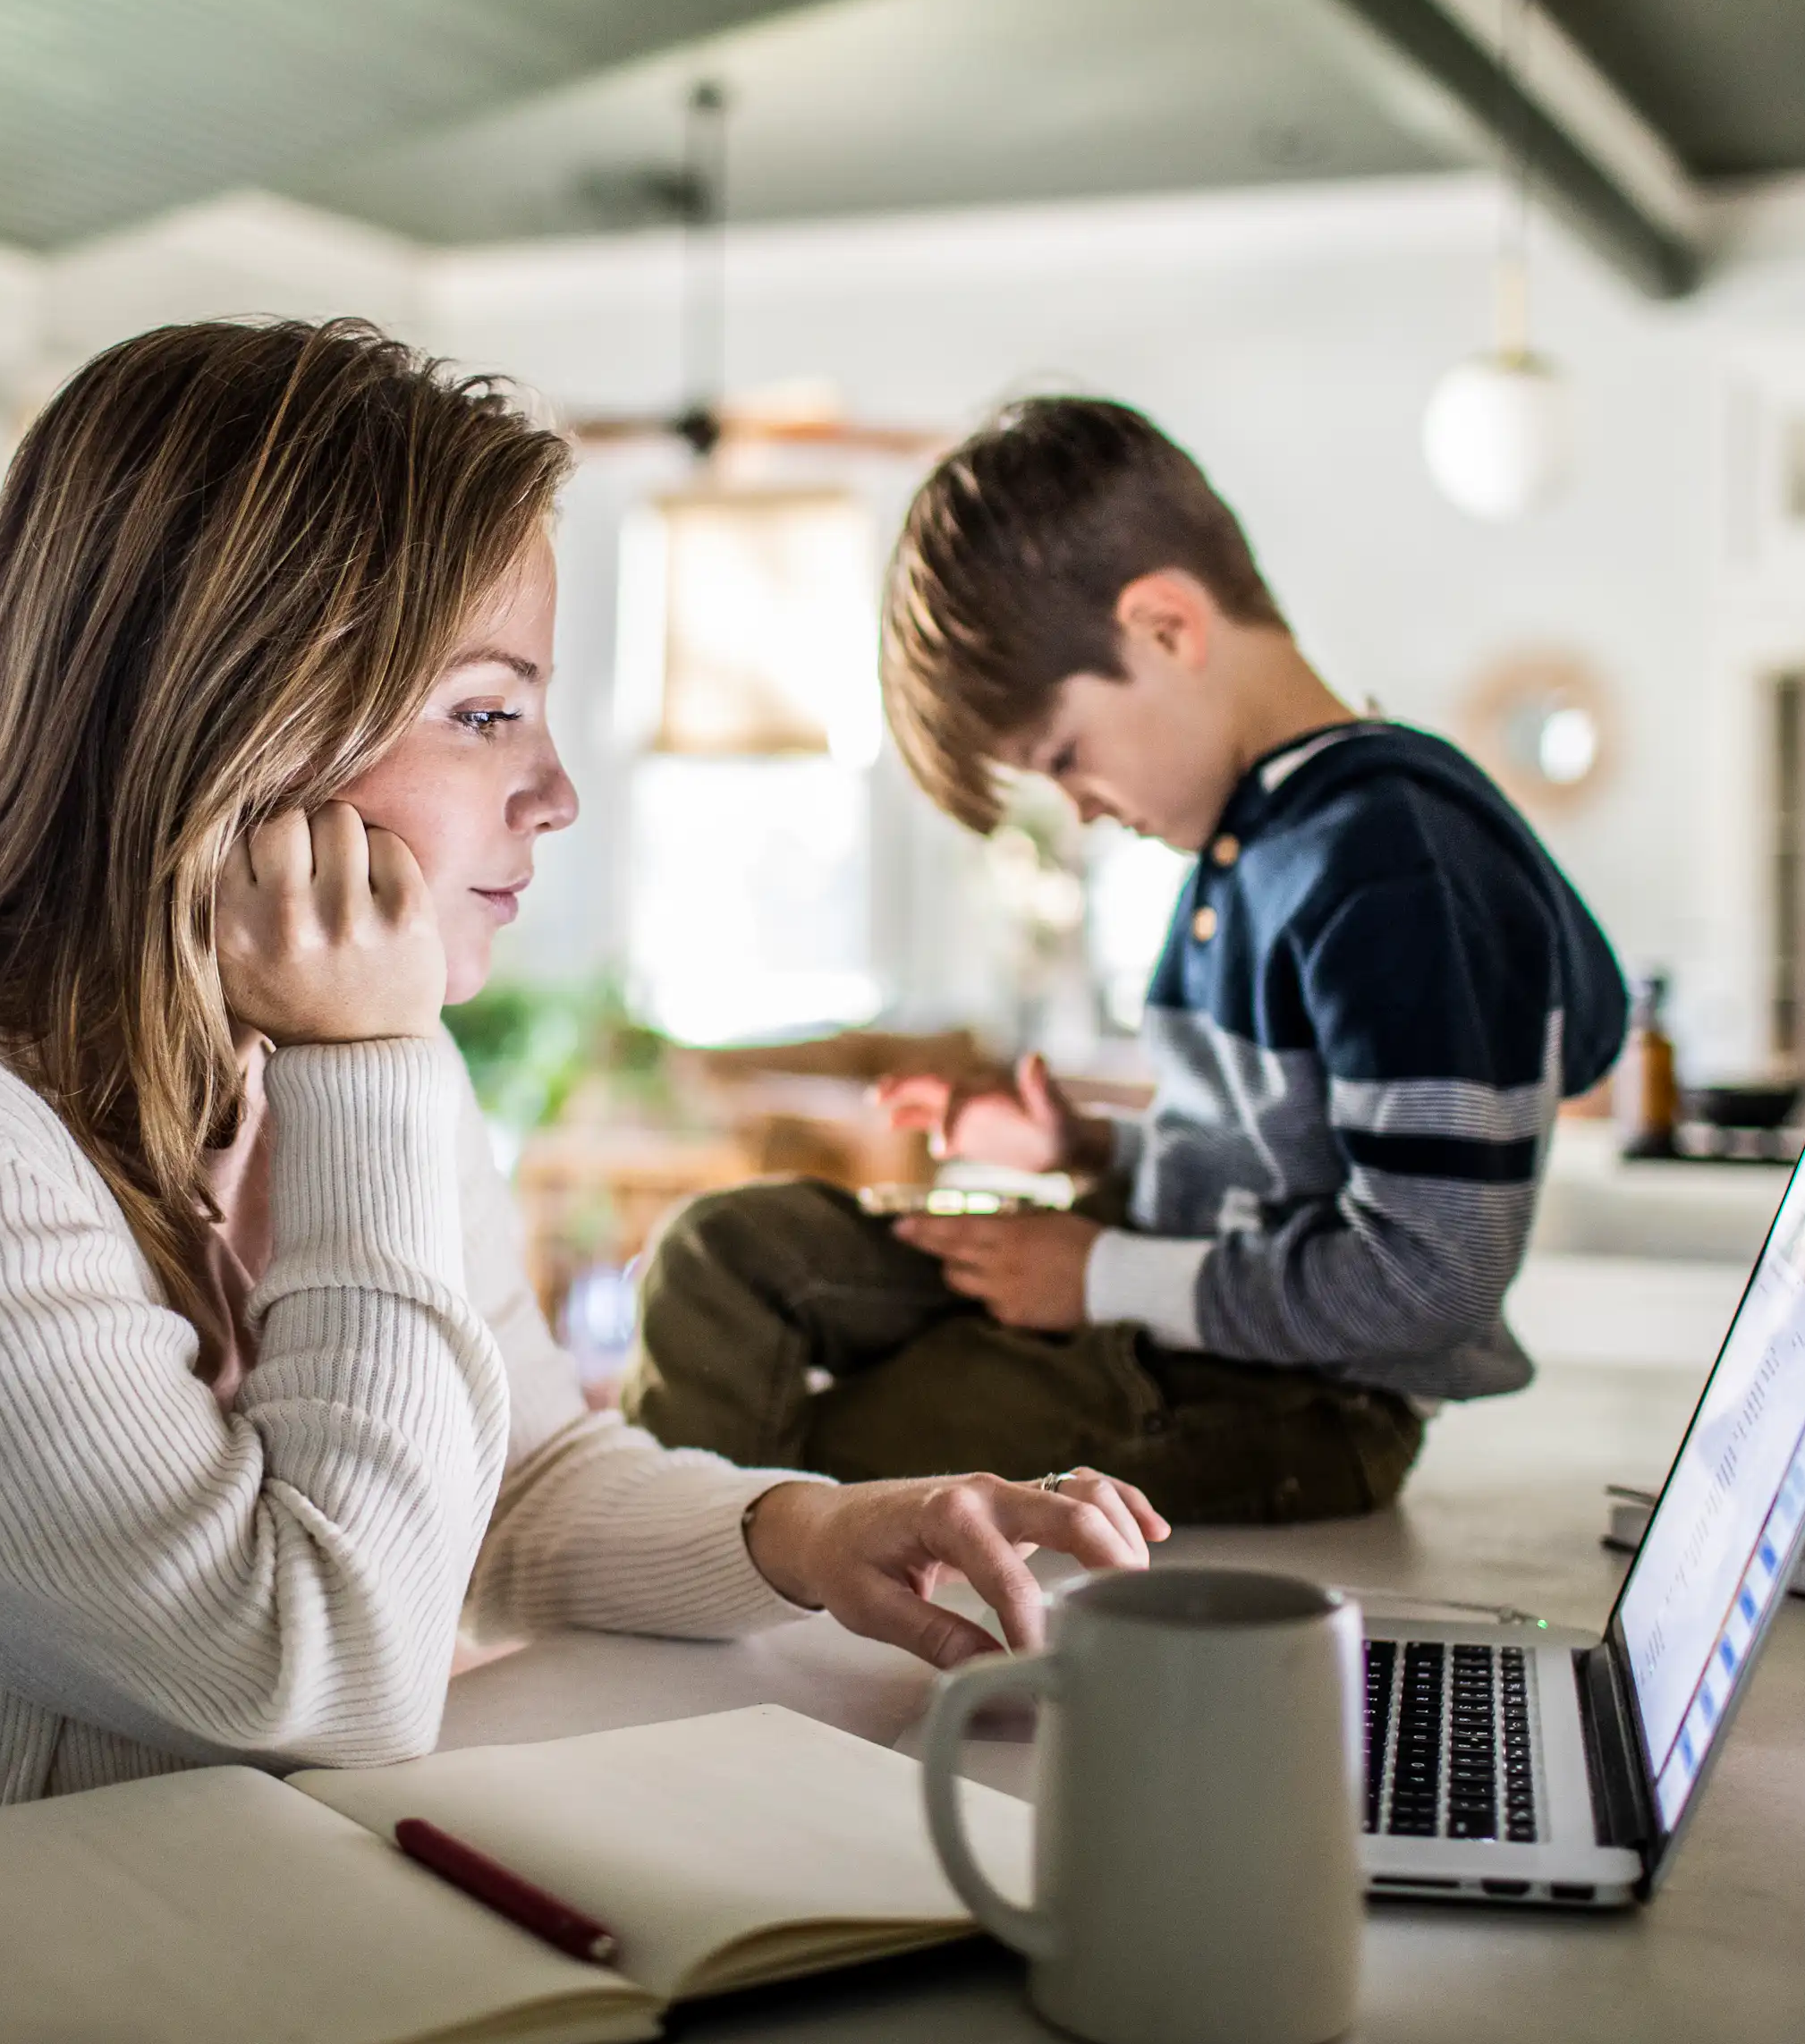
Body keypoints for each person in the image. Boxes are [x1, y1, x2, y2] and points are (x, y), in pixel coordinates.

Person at [0, 325, 1166, 1991]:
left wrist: (806, 1534)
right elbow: (321, 1659)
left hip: (114, 1937)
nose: (557, 789)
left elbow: (509, 1473)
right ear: (244, 715)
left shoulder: (321, 1031)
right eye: (485, 709)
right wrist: (367, 1069)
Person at [626, 395, 1627, 1523]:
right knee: (722, 1255)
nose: (1084, 811)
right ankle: (688, 1561)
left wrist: (1096, 1274)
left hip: (1295, 1398)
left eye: (1065, 757)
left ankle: (712, 1617)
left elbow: (1432, 1278)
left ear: (1164, 628)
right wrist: (1085, 1144)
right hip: (1162, 1299)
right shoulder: (1256, 843)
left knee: (836, 1451)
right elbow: (1274, 1161)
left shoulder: (1399, 864)